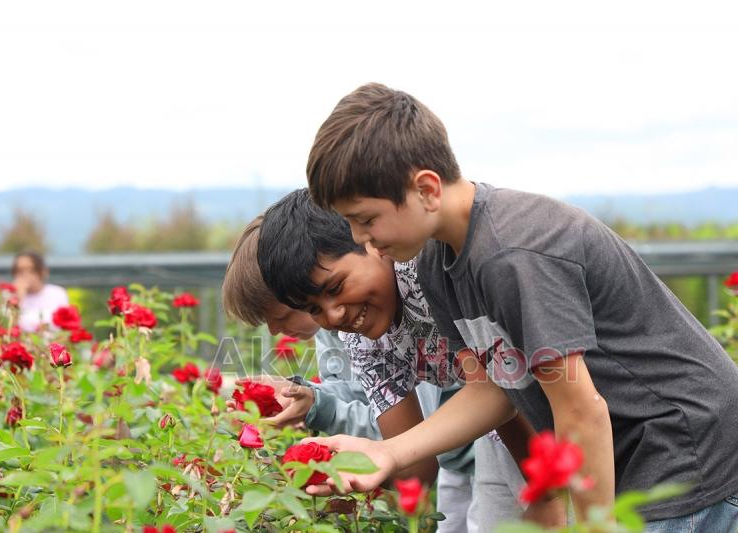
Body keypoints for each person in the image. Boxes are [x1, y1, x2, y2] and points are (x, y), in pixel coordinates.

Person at [301, 82, 738, 531]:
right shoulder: (436, 263)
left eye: (366, 219)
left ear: (427, 189)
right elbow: (492, 391)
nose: (359, 238)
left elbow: (579, 408)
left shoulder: (511, 254)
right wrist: (387, 452)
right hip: (634, 452)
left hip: (684, 448)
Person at [256, 189, 563, 531]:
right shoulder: (363, 340)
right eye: (314, 308)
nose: (335, 314)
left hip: (564, 407)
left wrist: (546, 496)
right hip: (502, 431)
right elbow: (416, 469)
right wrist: (341, 473)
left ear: (370, 241)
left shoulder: (425, 271)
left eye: (336, 287)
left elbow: (501, 390)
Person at [223, 215, 495, 531]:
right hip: (458, 457)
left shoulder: (394, 305)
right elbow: (371, 403)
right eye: (315, 309)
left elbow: (417, 426)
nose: (273, 330)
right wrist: (308, 399)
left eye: (282, 315)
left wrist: (320, 407)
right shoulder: (346, 330)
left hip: (480, 441)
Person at [11, 251, 69, 332]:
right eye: (19, 270)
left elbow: (64, 325)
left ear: (43, 271)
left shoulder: (57, 293)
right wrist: (18, 298)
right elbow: (9, 328)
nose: (25, 274)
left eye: (31, 270)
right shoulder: (7, 296)